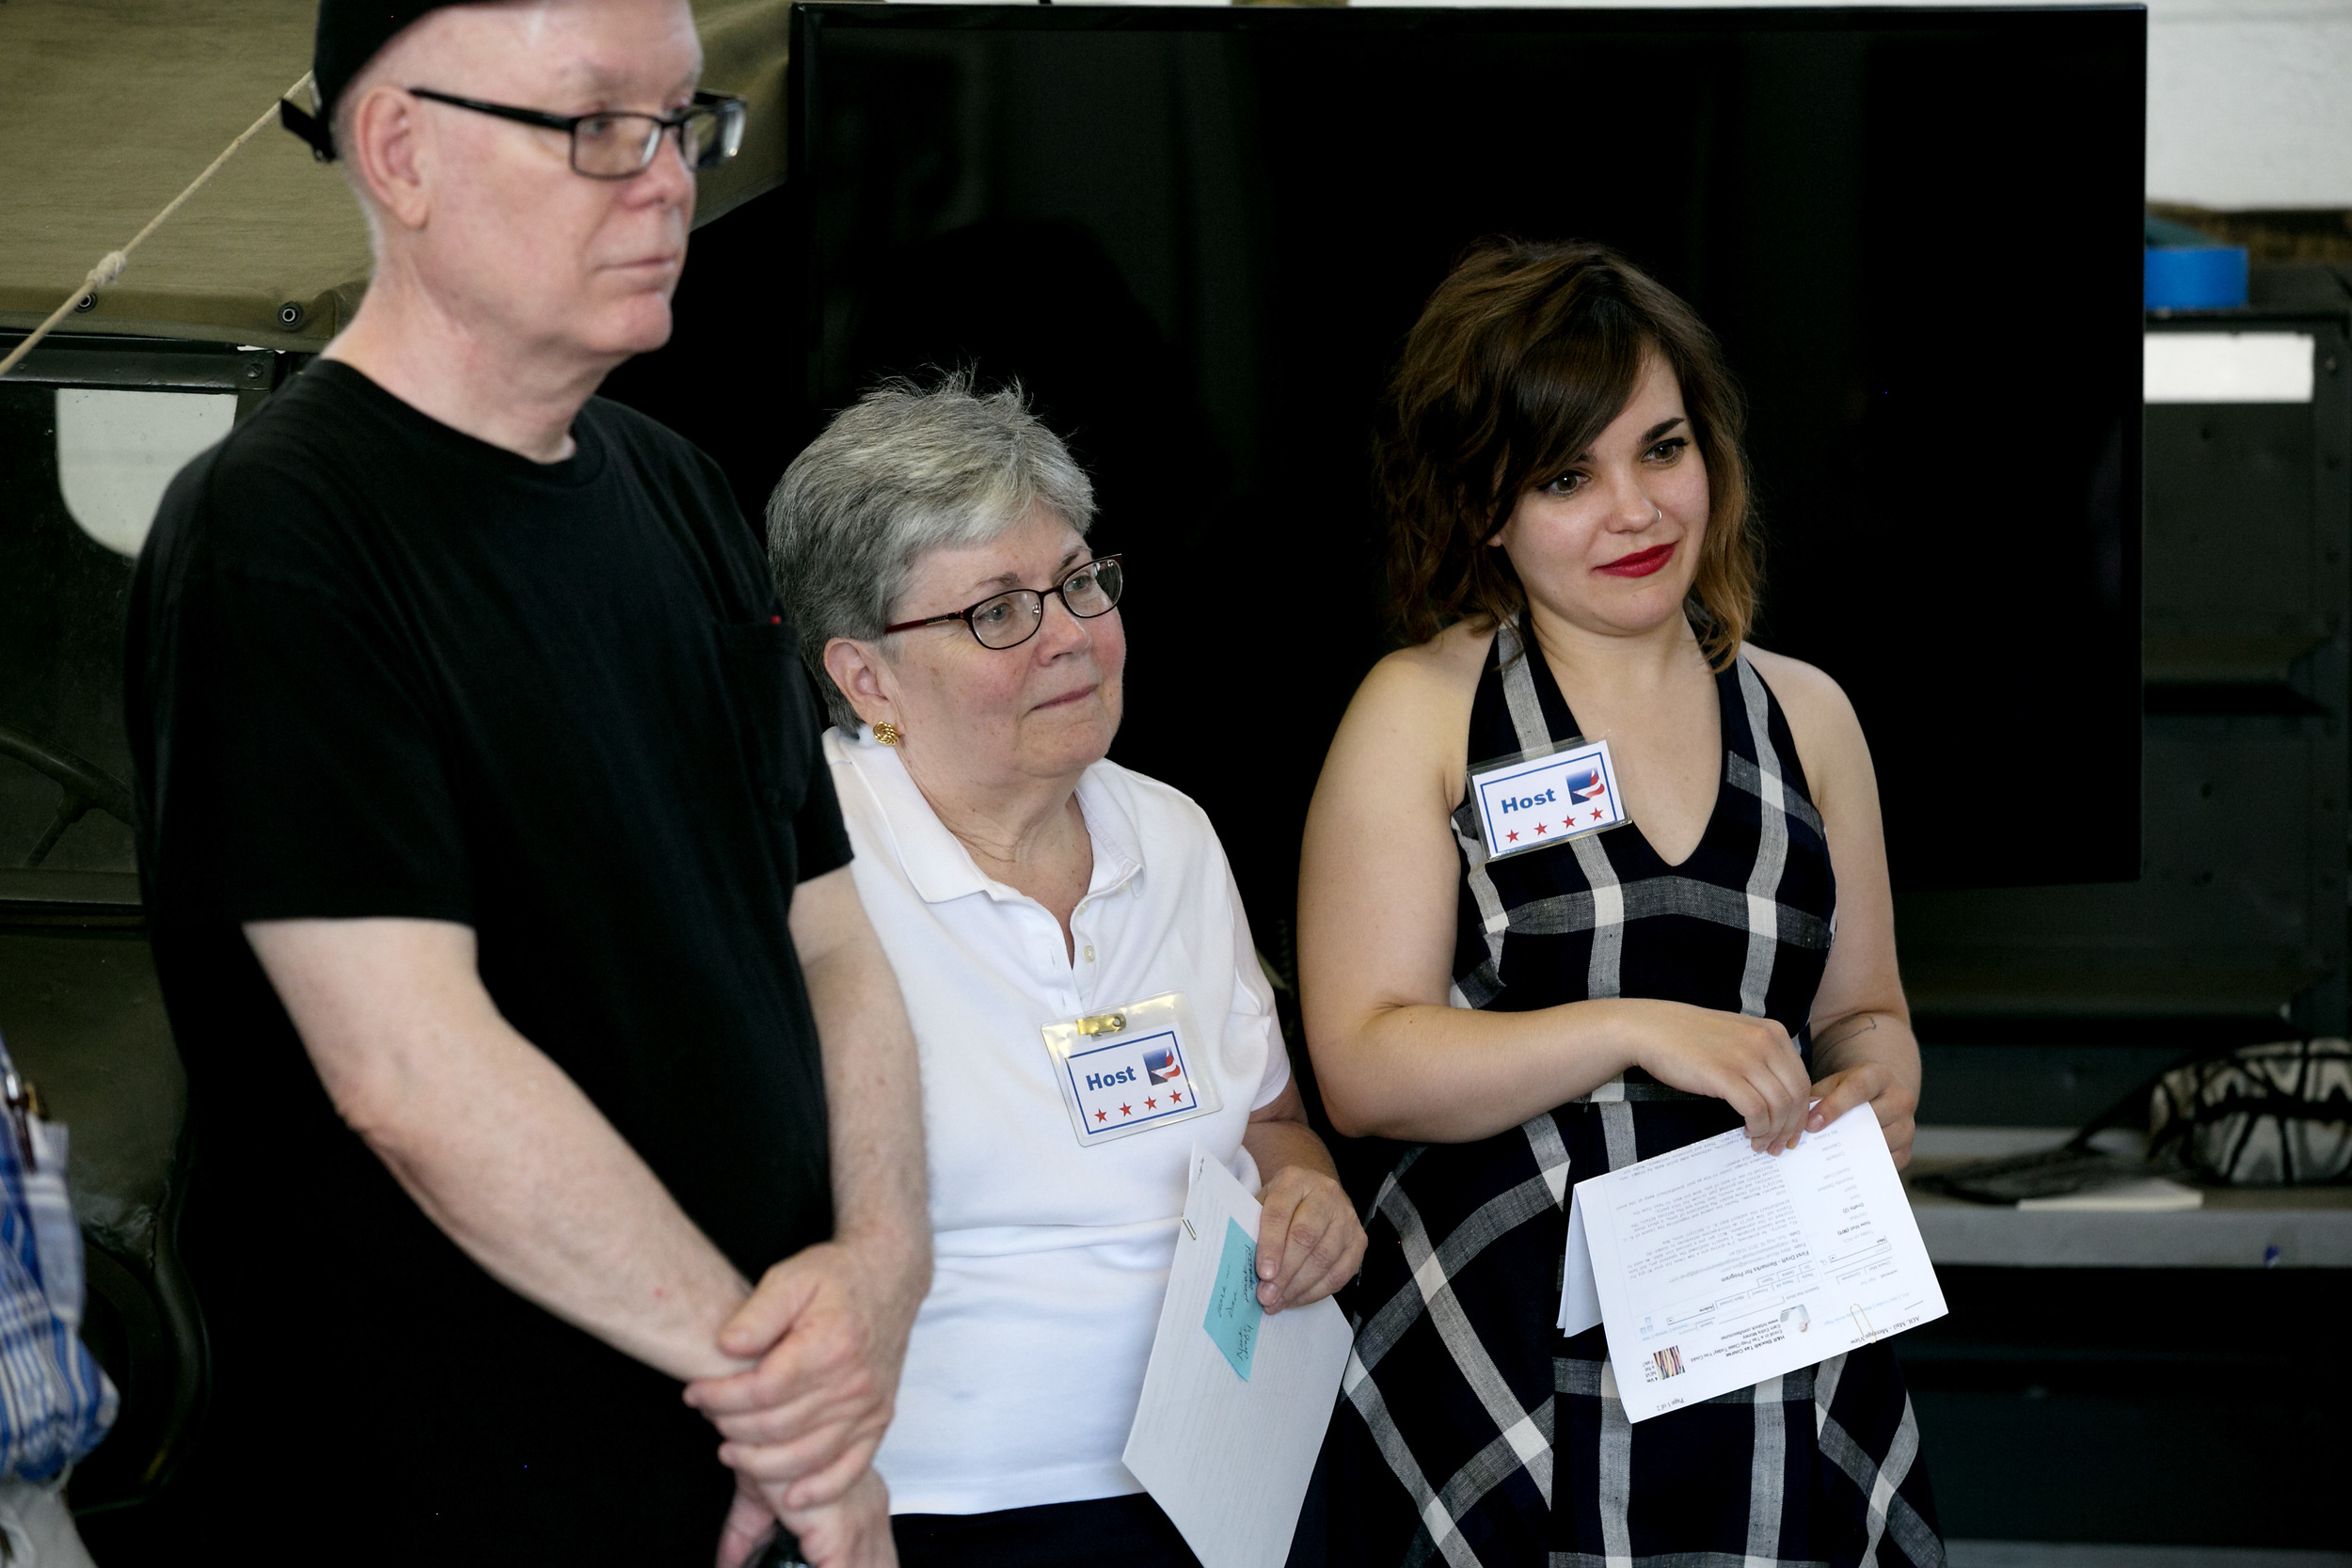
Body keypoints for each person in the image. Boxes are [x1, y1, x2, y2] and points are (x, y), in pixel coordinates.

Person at [126, 3, 927, 1562]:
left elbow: (831, 939)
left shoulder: (678, 489)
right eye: (594, 127)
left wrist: (884, 1270)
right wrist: (785, 1411)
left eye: (686, 121)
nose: (667, 181)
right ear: (399, 150)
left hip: (732, 1470)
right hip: (447, 1496)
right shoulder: (279, 534)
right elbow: (412, 1075)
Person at [1298, 239, 1942, 1567]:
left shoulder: (1806, 713)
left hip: (1771, 1337)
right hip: (1504, 1355)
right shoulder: (1421, 711)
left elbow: (1866, 1010)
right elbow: (1362, 1061)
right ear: (1482, 505)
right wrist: (1639, 1025)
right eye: (1564, 476)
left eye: (1661, 449)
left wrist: (1879, 1081)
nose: (1636, 510)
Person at [765, 376, 1367, 1568]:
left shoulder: (1173, 832)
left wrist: (1305, 1193)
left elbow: (1271, 1119)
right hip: (940, 1505)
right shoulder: (796, 863)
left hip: (1231, 1472)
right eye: (996, 610)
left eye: (1081, 580)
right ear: (866, 677)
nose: (1072, 634)